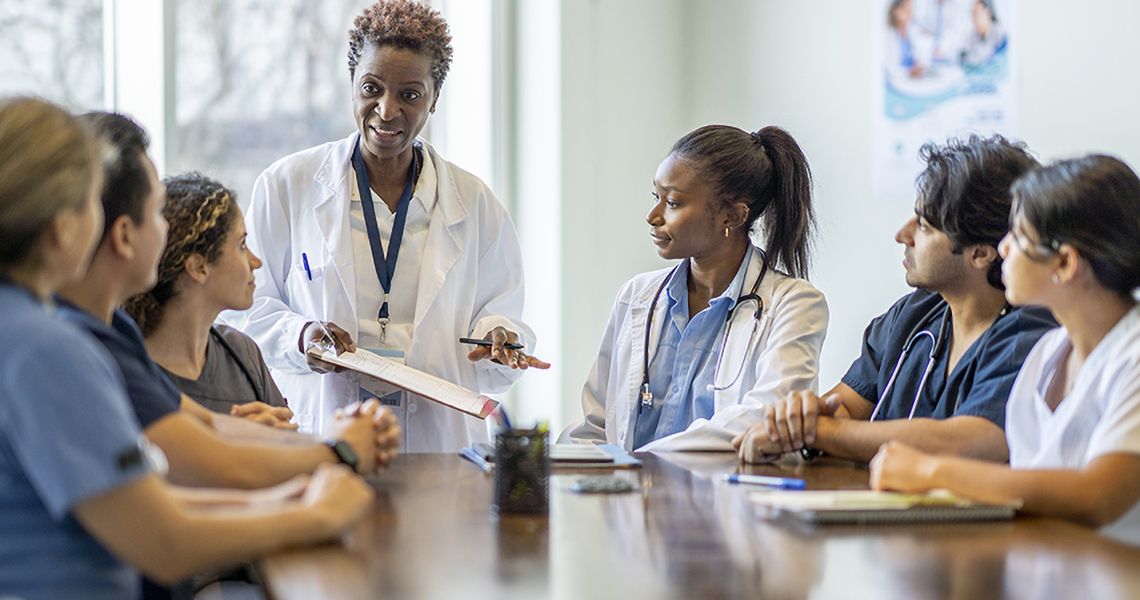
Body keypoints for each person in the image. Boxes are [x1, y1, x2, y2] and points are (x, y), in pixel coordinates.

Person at [0, 96, 373, 599]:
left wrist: (289, 497)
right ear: (63, 225)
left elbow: (154, 499)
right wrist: (316, 507)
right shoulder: (47, 349)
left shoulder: (29, 330)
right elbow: (163, 538)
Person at [226, 0, 548, 451]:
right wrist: (300, 336)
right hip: (324, 431)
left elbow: (499, 314)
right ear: (352, 86)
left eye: (410, 95)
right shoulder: (287, 186)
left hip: (438, 445)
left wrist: (500, 338)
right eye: (372, 88)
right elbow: (242, 310)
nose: (386, 110)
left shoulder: (475, 204)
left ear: (435, 99)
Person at [58, 111, 399, 490]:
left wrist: (264, 436)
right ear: (122, 234)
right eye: (155, 213)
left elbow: (206, 431)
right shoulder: (71, 349)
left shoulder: (116, 335)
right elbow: (180, 503)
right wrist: (340, 452)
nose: (164, 231)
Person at [735, 135, 1057, 464]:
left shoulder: (1031, 332)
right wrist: (802, 418)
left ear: (980, 253)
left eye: (925, 226)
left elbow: (975, 440)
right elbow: (846, 407)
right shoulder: (914, 313)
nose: (903, 235)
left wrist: (819, 432)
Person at [871, 155, 1140, 542]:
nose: (1003, 248)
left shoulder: (1132, 357)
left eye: (1018, 236)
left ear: (1064, 263)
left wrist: (931, 471)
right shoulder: (1048, 354)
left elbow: (1097, 496)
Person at [563, 124, 828, 451]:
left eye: (673, 203)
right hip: (630, 498)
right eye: (655, 197)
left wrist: (637, 462)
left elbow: (767, 419)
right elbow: (598, 426)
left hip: (725, 497)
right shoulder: (636, 297)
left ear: (732, 215)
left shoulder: (795, 306)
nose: (653, 216)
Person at [124, 172, 290, 420]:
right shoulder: (128, 371)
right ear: (199, 267)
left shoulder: (242, 353)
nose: (256, 262)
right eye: (242, 245)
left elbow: (293, 447)